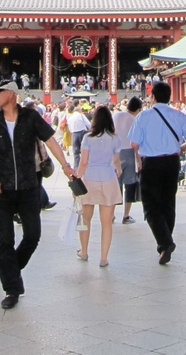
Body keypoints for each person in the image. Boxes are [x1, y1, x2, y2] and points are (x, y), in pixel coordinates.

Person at [0, 79, 75, 309]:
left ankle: (12, 269)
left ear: (11, 94)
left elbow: (51, 141)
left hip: (29, 186)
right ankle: (12, 289)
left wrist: (65, 166)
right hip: (1, 188)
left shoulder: (31, 118)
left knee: (33, 235)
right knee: (5, 239)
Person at [129, 80, 186, 265]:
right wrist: (181, 148)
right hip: (172, 161)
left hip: (151, 162)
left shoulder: (143, 117)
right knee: (168, 202)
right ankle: (165, 241)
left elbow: (133, 143)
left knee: (151, 205)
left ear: (153, 97)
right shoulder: (179, 115)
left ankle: (165, 242)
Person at [75, 105, 122, 266]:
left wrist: (77, 177)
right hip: (108, 178)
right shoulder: (115, 138)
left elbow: (83, 162)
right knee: (106, 221)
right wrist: (119, 169)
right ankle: (103, 258)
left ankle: (84, 251)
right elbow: (116, 160)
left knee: (85, 218)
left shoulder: (88, 138)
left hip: (89, 179)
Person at [113, 96, 142, 223]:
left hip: (115, 153)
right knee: (130, 185)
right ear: (138, 109)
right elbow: (136, 142)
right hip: (130, 153)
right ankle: (125, 215)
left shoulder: (116, 115)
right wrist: (139, 159)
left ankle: (111, 214)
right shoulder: (136, 120)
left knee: (115, 185)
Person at [65, 103, 91, 168]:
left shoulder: (70, 118)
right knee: (84, 150)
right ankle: (85, 165)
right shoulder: (81, 115)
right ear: (79, 111)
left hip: (74, 134)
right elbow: (88, 124)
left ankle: (76, 167)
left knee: (76, 152)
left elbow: (69, 127)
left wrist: (72, 132)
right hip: (82, 133)